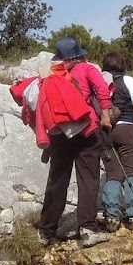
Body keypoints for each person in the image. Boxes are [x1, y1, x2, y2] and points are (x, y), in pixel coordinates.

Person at [38, 37, 113, 247]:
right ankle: (88, 229)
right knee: (88, 178)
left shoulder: (50, 72)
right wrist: (105, 116)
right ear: (79, 54)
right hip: (86, 128)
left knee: (57, 180)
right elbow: (102, 90)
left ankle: (46, 230)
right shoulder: (87, 69)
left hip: (59, 131)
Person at [100, 52, 133, 229]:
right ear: (122, 65)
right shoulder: (127, 81)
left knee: (113, 174)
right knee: (131, 171)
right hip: (128, 129)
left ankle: (112, 215)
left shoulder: (99, 81)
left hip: (106, 132)